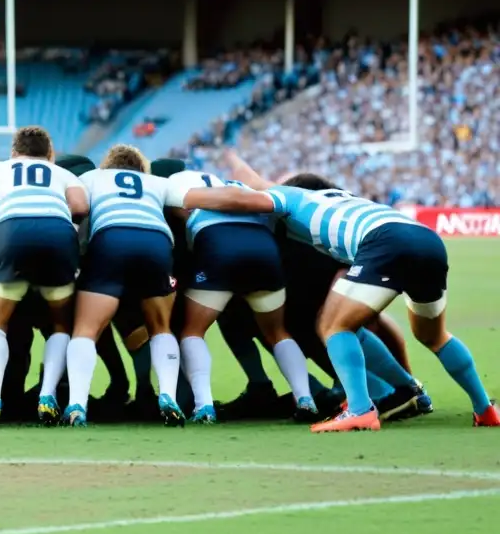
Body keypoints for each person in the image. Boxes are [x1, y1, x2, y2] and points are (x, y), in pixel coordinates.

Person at [182, 174, 500, 432]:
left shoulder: (291, 198)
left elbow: (244, 198)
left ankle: (360, 410)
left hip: (384, 241)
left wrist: (184, 196)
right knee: (434, 335)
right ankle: (484, 409)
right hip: (427, 240)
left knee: (331, 325)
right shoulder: (343, 199)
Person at [0, 126, 89, 427]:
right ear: (49, 154)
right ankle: (47, 394)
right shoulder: (63, 173)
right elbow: (81, 207)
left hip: (10, 232)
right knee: (60, 324)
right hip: (57, 233)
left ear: (14, 151)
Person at [165, 169, 317, 423]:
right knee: (278, 333)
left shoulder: (181, 185)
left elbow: (182, 224)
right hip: (264, 249)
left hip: (219, 245)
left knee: (193, 331)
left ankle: (204, 407)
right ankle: (305, 399)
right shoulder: (242, 189)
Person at [66, 145, 181, 427]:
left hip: (111, 244)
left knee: (85, 329)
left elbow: (77, 211)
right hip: (156, 245)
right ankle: (167, 395)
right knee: (160, 328)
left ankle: (77, 404)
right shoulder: (157, 183)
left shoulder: (93, 177)